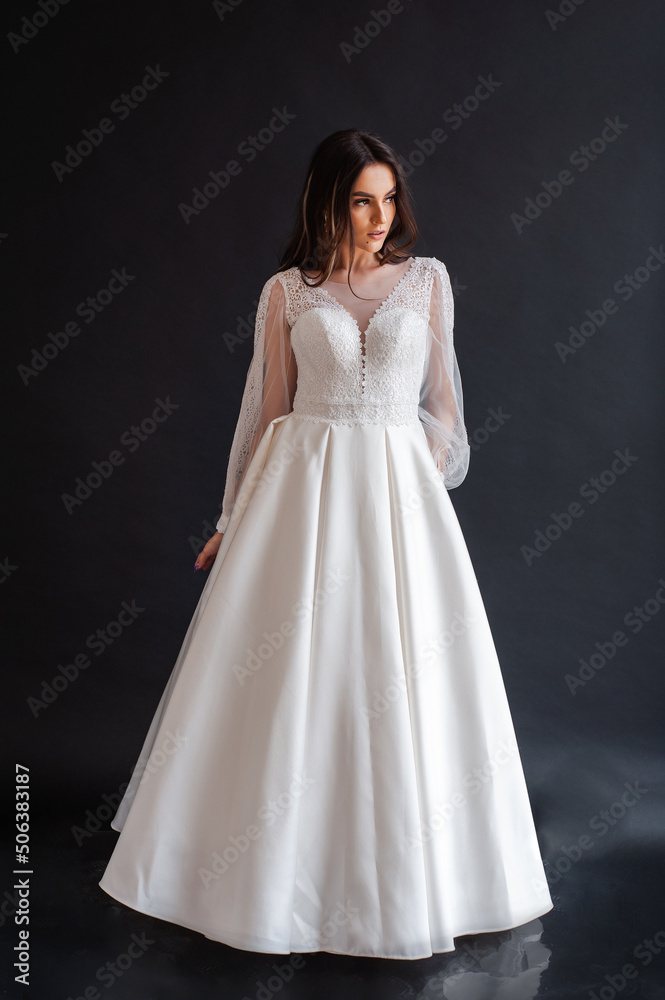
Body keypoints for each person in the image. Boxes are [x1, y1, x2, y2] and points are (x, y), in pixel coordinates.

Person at [99, 128, 554, 960]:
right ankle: (267, 877)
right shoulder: (286, 294)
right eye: (360, 200)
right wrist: (234, 518)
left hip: (396, 502)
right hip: (300, 501)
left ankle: (418, 877)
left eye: (388, 199)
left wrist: (401, 458)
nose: (380, 218)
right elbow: (266, 414)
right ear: (326, 201)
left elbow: (445, 409)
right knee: (294, 673)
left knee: (402, 668)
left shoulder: (427, 283)